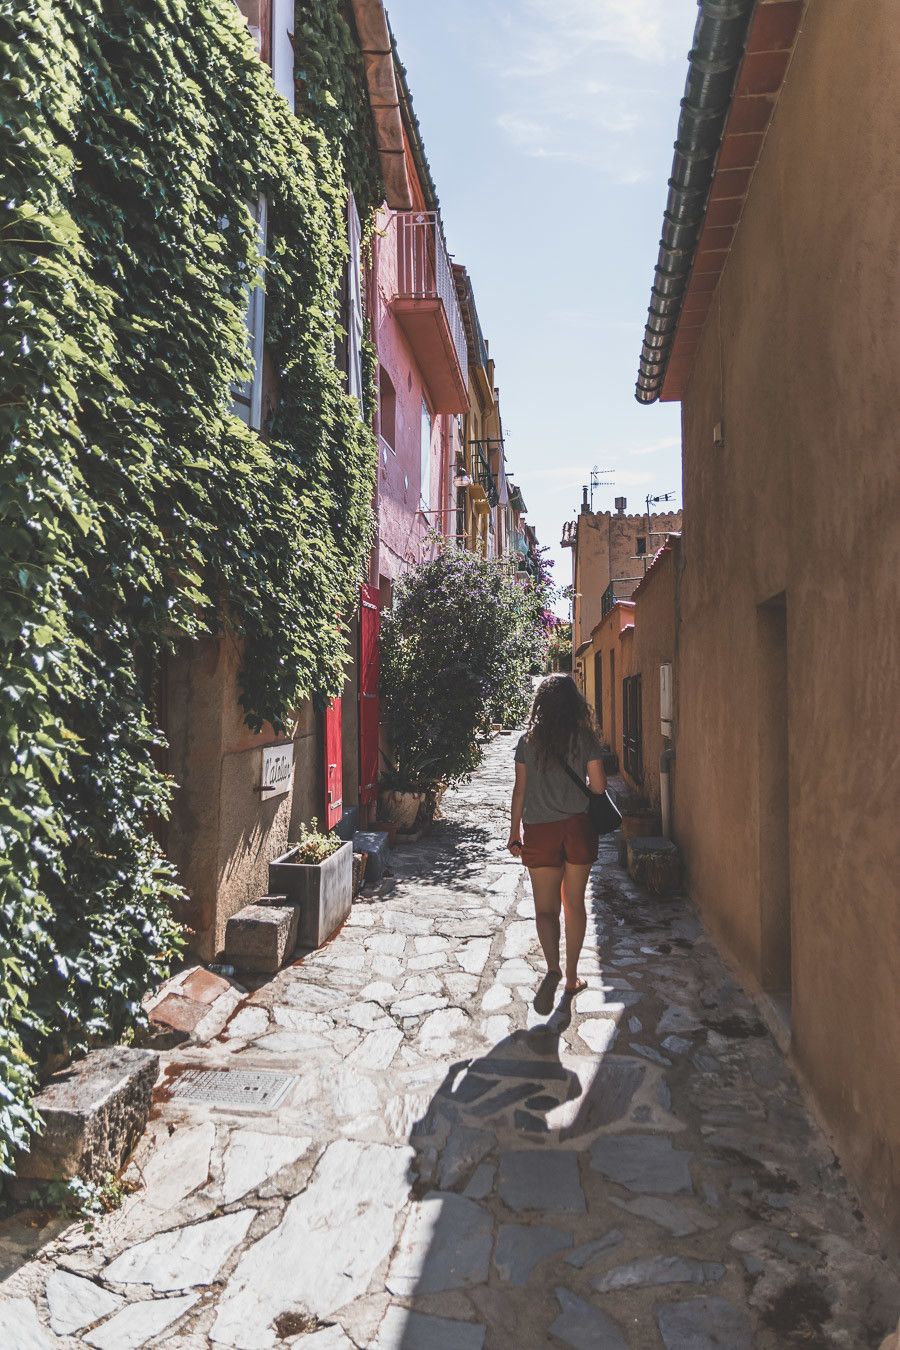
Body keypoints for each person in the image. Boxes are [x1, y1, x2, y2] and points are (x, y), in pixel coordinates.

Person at [508, 674, 606, 1012]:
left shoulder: (527, 742)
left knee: (545, 909)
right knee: (574, 904)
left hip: (540, 829)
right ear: (574, 703)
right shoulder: (585, 737)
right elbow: (598, 787)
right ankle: (572, 977)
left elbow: (519, 791)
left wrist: (514, 833)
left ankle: (553, 967)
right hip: (578, 828)